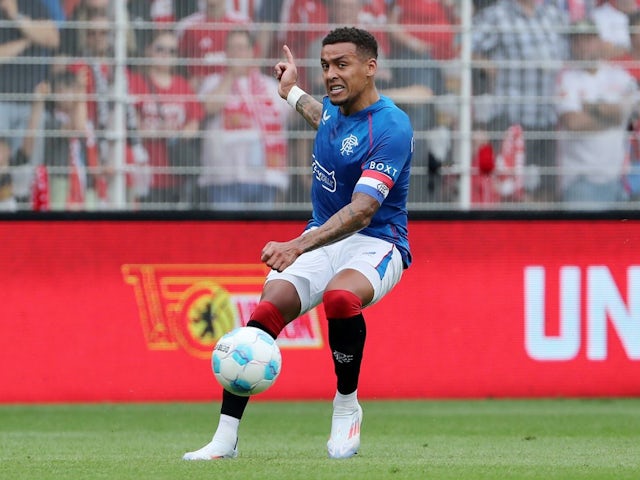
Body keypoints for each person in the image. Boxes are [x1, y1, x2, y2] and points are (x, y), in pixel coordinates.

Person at [183, 26, 413, 460]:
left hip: (377, 242)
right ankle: (225, 438)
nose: (331, 75)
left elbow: (363, 210)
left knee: (342, 299)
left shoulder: (392, 126)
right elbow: (318, 113)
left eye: (341, 65)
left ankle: (346, 407)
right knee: (267, 309)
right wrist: (289, 91)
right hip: (322, 237)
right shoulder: (332, 111)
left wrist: (297, 245)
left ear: (370, 67)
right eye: (325, 66)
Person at [472, 0, 569, 202]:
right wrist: (487, 66)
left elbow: (570, 54)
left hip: (546, 119)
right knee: (507, 190)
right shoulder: (497, 15)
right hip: (510, 118)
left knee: (545, 191)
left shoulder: (552, 15)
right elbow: (463, 46)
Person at [198, 28, 290, 206]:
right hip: (224, 176)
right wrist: (230, 76)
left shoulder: (270, 85)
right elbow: (209, 107)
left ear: (251, 52)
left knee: (264, 233)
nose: (236, 54)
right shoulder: (213, 82)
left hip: (264, 177)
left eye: (241, 48)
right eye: (232, 49)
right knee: (227, 234)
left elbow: (287, 118)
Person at [555, 19, 638, 205]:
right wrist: (613, 116)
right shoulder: (566, 78)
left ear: (599, 41)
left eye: (588, 39)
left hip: (617, 181)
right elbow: (573, 123)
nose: (583, 46)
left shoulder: (619, 75)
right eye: (577, 41)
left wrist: (592, 108)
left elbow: (629, 112)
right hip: (581, 181)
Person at [129, 29, 204, 205]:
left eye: (171, 51)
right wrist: (158, 131)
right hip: (145, 172)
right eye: (160, 49)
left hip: (176, 173)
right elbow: (132, 126)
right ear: (148, 50)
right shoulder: (136, 82)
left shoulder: (182, 85)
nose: (166, 55)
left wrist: (176, 134)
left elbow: (194, 125)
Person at [0, 0, 60, 207]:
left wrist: (16, 17)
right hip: (1, 102)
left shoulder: (36, 5)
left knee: (25, 167)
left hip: (31, 102)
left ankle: (22, 217)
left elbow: (52, 39)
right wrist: (29, 38)